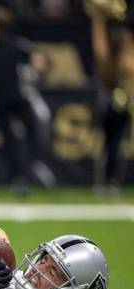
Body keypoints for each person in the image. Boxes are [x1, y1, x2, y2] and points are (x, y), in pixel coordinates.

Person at [0, 3, 55, 196]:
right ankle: (26, 172)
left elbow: (40, 61)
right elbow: (40, 61)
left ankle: (28, 171)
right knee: (22, 137)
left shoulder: (8, 45)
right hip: (9, 100)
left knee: (19, 138)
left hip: (12, 99)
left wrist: (34, 71)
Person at [87, 0, 133, 196]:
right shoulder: (121, 56)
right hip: (114, 101)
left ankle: (106, 182)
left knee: (109, 145)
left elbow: (99, 46)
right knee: (112, 145)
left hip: (113, 101)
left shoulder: (113, 56)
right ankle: (109, 182)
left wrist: (97, 20)